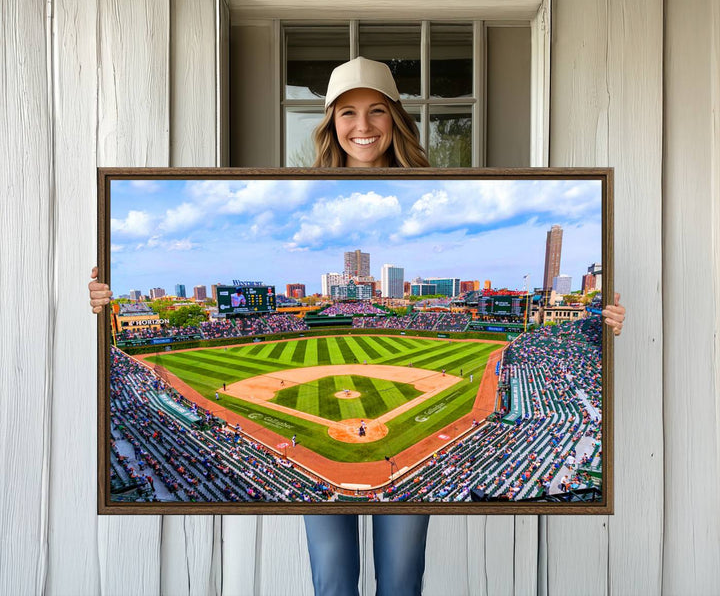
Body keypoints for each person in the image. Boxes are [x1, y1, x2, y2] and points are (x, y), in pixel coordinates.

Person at [88, 56, 626, 596]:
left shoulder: (436, 188)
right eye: (347, 113)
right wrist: (103, 299)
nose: (362, 126)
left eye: (375, 111)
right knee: (332, 578)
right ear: (330, 123)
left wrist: (602, 321)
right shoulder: (296, 189)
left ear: (395, 118)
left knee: (400, 578)